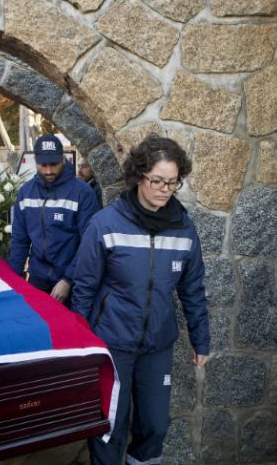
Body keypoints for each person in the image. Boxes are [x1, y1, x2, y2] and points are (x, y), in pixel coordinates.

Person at [71, 135, 210, 465]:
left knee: (156, 425)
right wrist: (81, 341)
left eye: (172, 183)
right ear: (139, 177)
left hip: (157, 346)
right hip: (111, 344)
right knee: (109, 427)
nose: (164, 189)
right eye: (157, 181)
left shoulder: (183, 229)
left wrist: (200, 339)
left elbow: (192, 289)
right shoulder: (105, 224)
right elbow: (84, 287)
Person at [8, 134, 99, 306]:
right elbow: (19, 241)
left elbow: (88, 243)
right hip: (37, 278)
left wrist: (67, 280)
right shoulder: (25, 193)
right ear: (36, 161)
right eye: (43, 165)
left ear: (63, 159)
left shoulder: (83, 193)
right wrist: (14, 281)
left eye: (54, 164)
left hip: (72, 282)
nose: (49, 170)